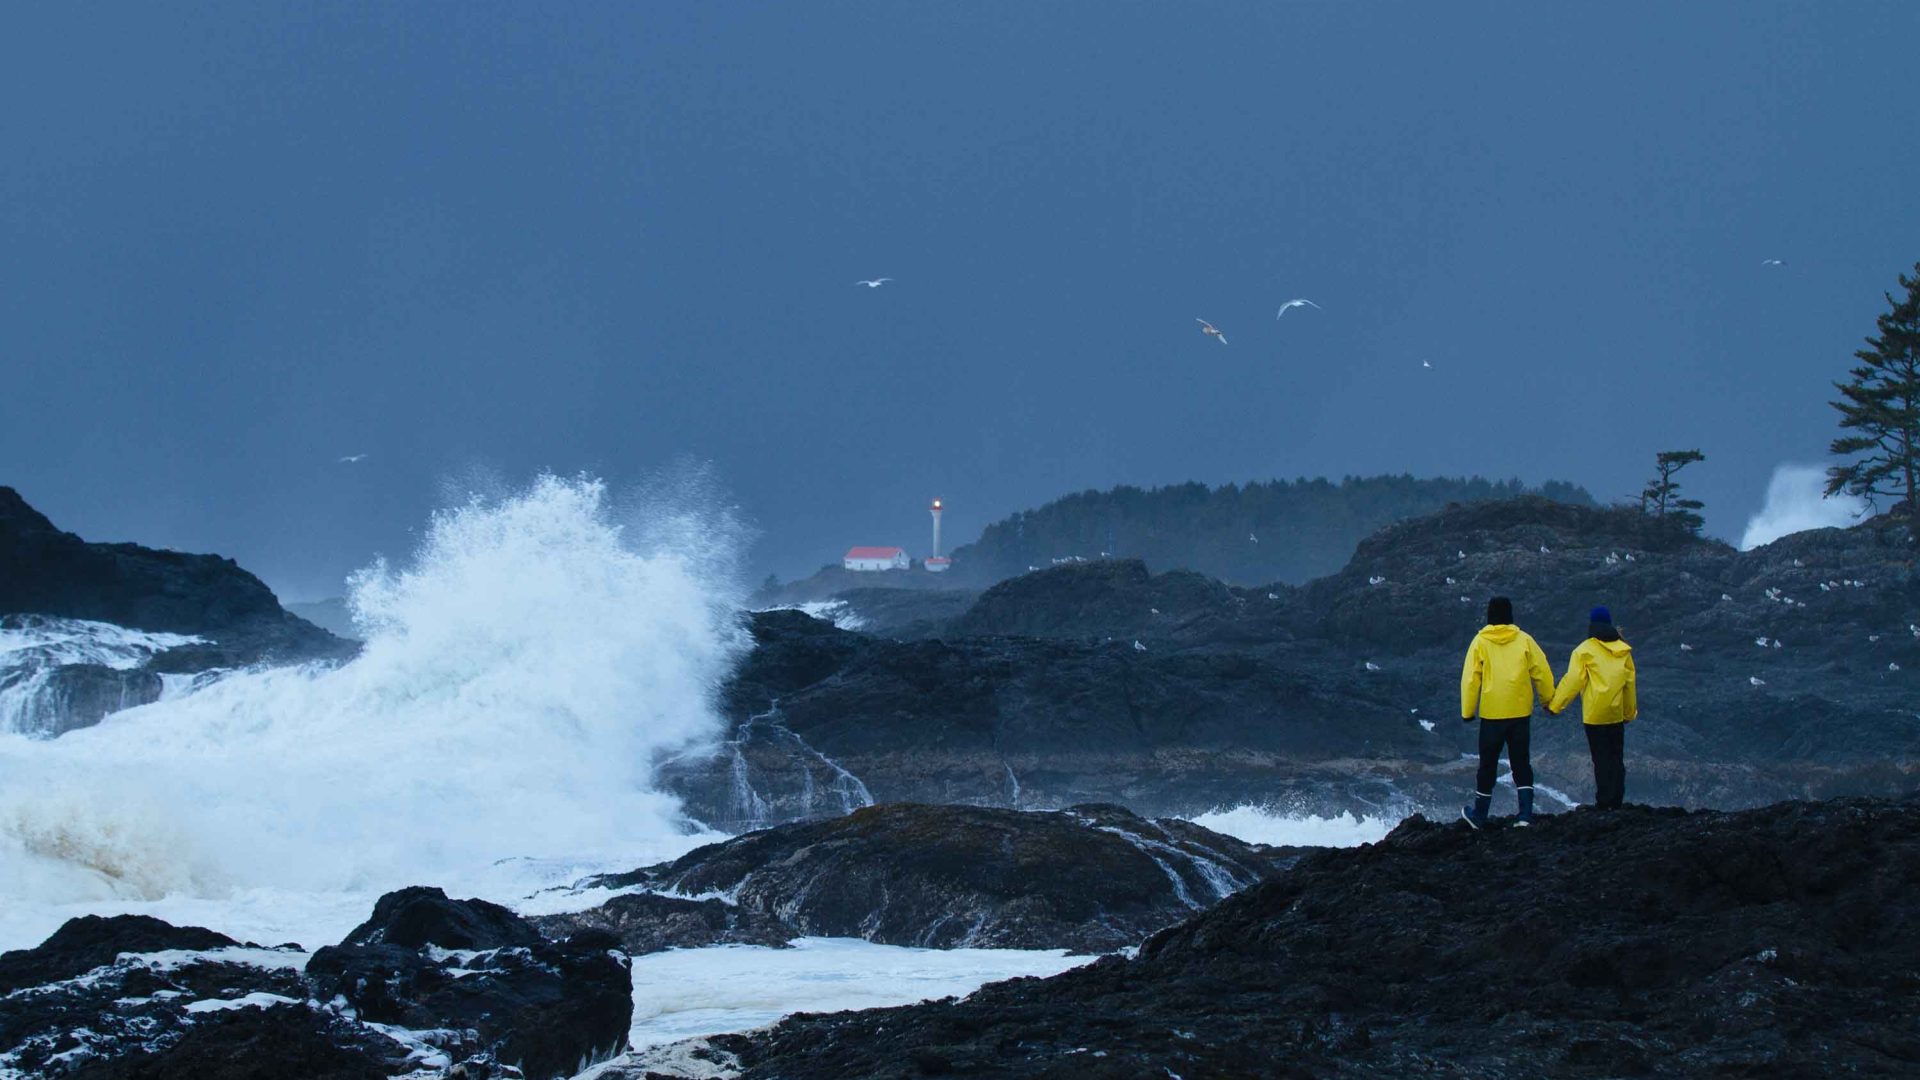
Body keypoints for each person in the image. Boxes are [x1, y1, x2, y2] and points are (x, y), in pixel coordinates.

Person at [1459, 596, 1556, 829]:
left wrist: (1467, 711)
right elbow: (1541, 671)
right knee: (1521, 763)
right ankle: (1525, 815)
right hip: (1519, 713)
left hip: (1492, 714)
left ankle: (1479, 816)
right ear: (1510, 615)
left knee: (1487, 765)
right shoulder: (1524, 640)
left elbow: (1470, 679)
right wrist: (1548, 699)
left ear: (1489, 616)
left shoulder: (1480, 642)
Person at [1547, 605, 1638, 809]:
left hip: (1594, 715)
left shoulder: (1584, 650)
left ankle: (1604, 801)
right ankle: (1616, 801)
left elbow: (1572, 681)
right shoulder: (1624, 651)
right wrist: (1629, 713)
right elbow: (1629, 685)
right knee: (1616, 758)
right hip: (1616, 715)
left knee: (1601, 759)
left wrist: (1555, 705)